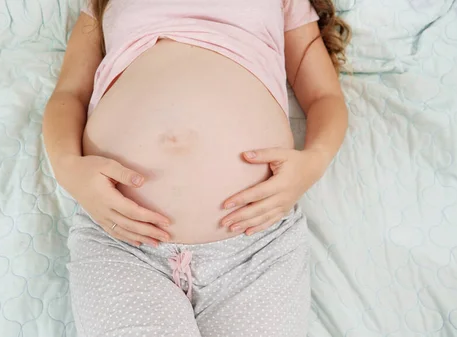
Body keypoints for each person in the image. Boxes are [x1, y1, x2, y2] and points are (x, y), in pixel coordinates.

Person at [43, 0, 350, 336]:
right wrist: (68, 167)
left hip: (255, 247)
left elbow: (324, 96)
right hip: (123, 242)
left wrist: (314, 161)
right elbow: (70, 92)